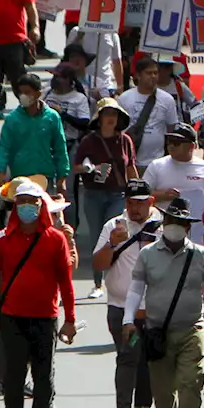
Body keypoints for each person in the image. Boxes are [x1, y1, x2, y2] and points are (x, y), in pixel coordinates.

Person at [122, 197, 204, 408]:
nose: (175, 226)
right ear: (163, 223)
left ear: (188, 228)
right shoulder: (148, 254)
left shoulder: (200, 254)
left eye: (181, 222)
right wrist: (128, 319)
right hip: (157, 330)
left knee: (191, 381)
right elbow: (137, 287)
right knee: (162, 388)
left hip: (191, 328)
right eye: (171, 221)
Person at [0, 180, 77, 408]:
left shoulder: (55, 239)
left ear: (40, 206)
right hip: (11, 318)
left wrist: (70, 318)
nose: (24, 208)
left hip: (45, 318)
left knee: (44, 378)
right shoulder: (1, 240)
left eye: (30, 203)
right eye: (19, 202)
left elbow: (66, 282)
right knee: (13, 379)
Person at [91, 179, 160, 408]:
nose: (135, 209)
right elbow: (98, 264)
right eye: (131, 203)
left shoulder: (164, 226)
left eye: (141, 203)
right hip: (120, 307)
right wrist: (111, 244)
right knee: (128, 357)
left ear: (150, 202)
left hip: (152, 308)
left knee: (149, 360)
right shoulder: (114, 225)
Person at [73, 98, 139, 297]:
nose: (111, 118)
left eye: (114, 114)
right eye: (107, 114)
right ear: (99, 118)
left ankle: (116, 278)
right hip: (93, 195)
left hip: (117, 194)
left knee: (116, 233)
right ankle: (97, 283)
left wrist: (139, 190)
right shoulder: (88, 141)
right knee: (97, 237)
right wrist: (89, 168)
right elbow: (75, 167)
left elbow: (131, 168)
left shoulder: (125, 140)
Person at [0, 74, 70, 198]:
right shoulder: (12, 119)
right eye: (21, 92)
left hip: (45, 178)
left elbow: (60, 149)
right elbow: (4, 147)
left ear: (38, 94)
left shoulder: (52, 117)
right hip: (20, 178)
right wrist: (0, 171)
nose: (23, 96)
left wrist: (62, 177)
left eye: (27, 92)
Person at [118, 56, 180, 169]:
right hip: (130, 163)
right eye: (148, 73)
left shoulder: (167, 99)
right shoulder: (124, 98)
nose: (153, 76)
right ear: (138, 75)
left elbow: (171, 129)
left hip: (158, 163)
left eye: (155, 73)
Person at [142, 124, 204, 203]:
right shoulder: (156, 166)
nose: (171, 146)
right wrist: (163, 195)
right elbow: (142, 194)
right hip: (162, 214)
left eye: (176, 142)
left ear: (191, 146)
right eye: (169, 141)